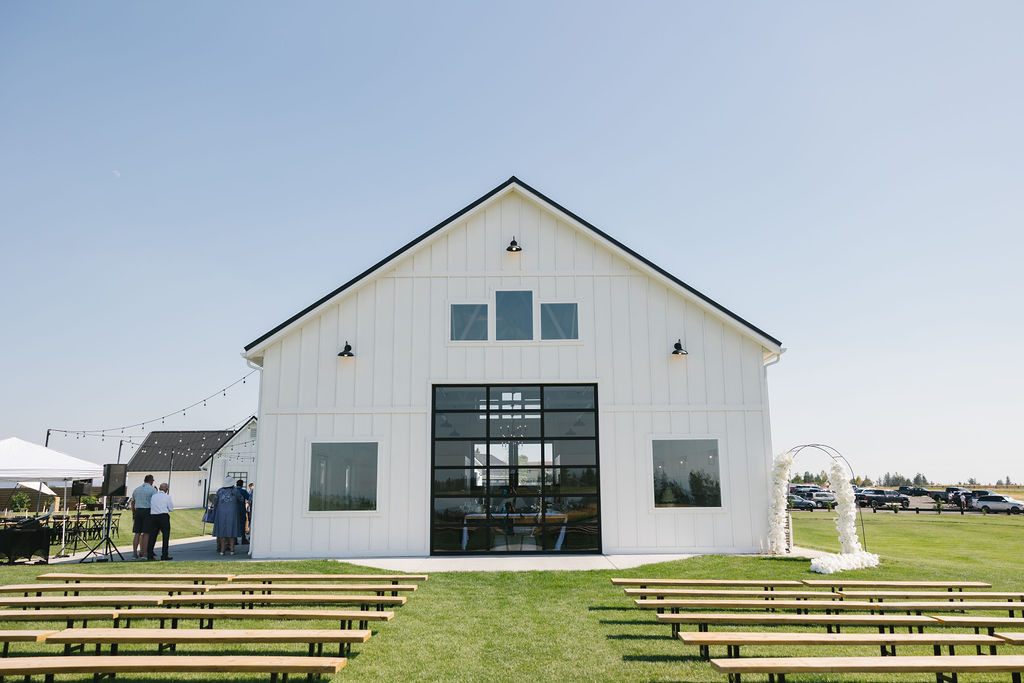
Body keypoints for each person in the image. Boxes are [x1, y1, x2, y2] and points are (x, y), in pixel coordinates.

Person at [212, 475, 245, 555]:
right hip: (232, 513)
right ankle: (232, 550)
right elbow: (241, 499)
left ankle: (222, 550)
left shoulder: (220, 491)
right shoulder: (235, 491)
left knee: (222, 532)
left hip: (221, 514)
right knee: (232, 531)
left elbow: (214, 501)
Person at [129, 475, 157, 560]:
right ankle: (144, 553)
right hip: (147, 511)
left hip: (138, 511)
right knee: (146, 533)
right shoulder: (153, 490)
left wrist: (133, 512)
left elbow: (132, 502)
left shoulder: (137, 489)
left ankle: (134, 553)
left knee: (137, 533)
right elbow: (155, 502)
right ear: (151, 481)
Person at [146, 482, 174, 560]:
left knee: (152, 537)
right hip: (163, 517)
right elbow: (171, 508)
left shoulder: (153, 496)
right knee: (165, 537)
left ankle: (150, 555)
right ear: (166, 490)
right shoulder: (167, 497)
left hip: (153, 517)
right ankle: (164, 555)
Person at [235, 479, 250, 545]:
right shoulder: (243, 491)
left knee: (234, 525)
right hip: (241, 509)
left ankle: (234, 540)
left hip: (234, 510)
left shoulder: (233, 491)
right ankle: (243, 539)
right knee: (242, 524)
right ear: (242, 484)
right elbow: (248, 497)